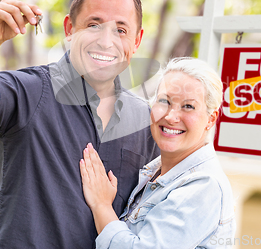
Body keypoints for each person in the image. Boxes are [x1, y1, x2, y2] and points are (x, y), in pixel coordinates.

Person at [0, 0, 159, 248]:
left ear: (136, 41)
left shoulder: (146, 122)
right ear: (69, 29)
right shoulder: (30, 92)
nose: (107, 41)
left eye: (121, 30)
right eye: (94, 25)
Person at [79, 57, 236, 248]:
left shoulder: (203, 186)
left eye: (188, 106)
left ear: (211, 119)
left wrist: (102, 206)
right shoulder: (155, 172)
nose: (170, 116)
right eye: (165, 101)